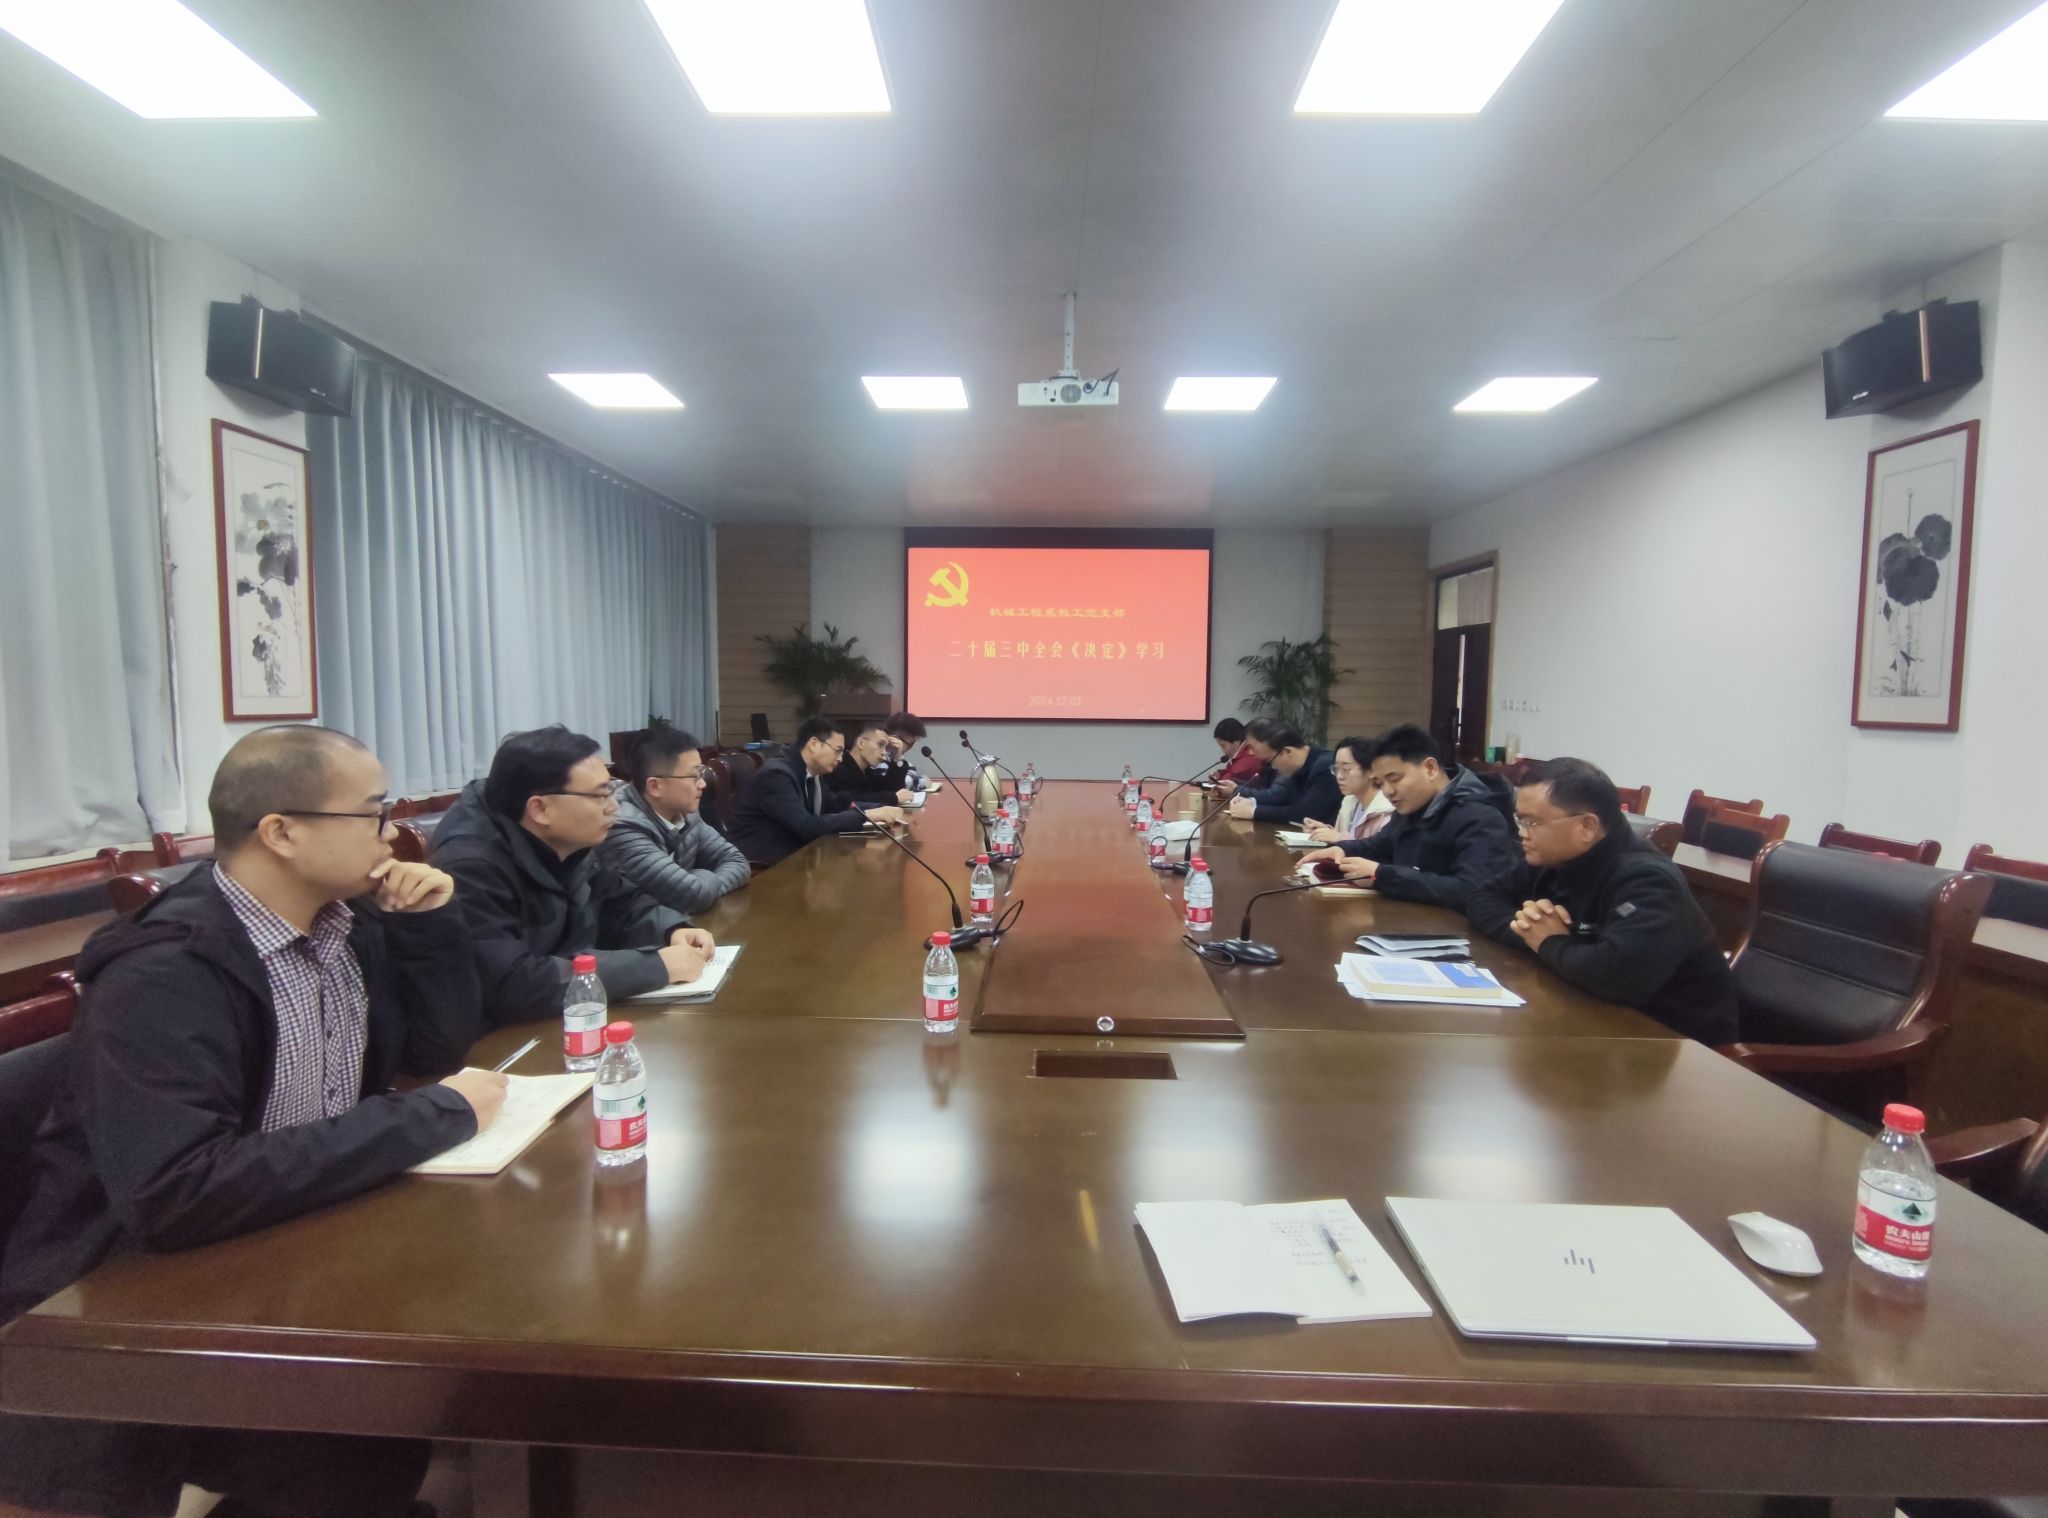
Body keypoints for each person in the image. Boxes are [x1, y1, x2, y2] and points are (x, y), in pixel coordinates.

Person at [0, 725, 504, 1518]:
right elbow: (177, 1190)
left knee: (393, 1421)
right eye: (372, 813)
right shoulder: (166, 973)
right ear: (281, 832)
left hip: (281, 1238)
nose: (391, 833)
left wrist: (430, 923)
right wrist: (429, 1118)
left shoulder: (348, 927)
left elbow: (435, 1050)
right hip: (123, 1293)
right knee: (367, 1427)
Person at [430, 725, 716, 1025]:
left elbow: (619, 902)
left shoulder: (569, 838)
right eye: (600, 795)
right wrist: (655, 967)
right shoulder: (470, 867)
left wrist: (671, 929)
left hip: (566, 1013)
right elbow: (512, 983)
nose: (614, 807)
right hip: (502, 1037)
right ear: (540, 809)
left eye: (611, 790)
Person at [1468, 758, 1739, 1043]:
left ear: (1587, 826)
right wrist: (1532, 932)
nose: (1522, 832)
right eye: (1520, 819)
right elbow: (1482, 898)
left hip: (1674, 1041)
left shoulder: (1649, 881)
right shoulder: (1553, 857)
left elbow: (1615, 977)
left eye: (1532, 822)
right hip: (1593, 1011)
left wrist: (1550, 942)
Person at [1301, 723, 1518, 911]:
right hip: (1410, 921)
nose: (1388, 791)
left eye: (1394, 779)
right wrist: (1343, 850)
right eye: (1380, 783)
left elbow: (1473, 891)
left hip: (1459, 937)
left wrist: (1381, 875)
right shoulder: (1412, 807)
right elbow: (1379, 845)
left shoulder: (1479, 816)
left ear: (1430, 768)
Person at [601, 725, 752, 935]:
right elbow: (692, 896)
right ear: (655, 786)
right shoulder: (621, 827)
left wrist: (699, 881)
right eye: (694, 776)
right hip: (636, 941)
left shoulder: (686, 812)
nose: (702, 784)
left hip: (680, 928)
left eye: (701, 773)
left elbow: (738, 862)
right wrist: (699, 878)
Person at [726, 717, 909, 868]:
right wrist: (866, 815)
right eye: (837, 751)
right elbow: (806, 826)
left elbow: (836, 804)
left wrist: (880, 808)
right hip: (763, 867)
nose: (841, 758)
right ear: (814, 744)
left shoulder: (812, 773)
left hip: (796, 857)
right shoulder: (776, 775)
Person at [1224, 722, 1341, 825]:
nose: (1273, 767)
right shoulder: (1297, 767)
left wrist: (1254, 812)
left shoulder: (1325, 767)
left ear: (1287, 752)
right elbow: (1281, 799)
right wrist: (1251, 802)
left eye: (1270, 761)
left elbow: (1306, 814)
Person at [1302, 734, 1395, 844]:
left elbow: (1377, 852)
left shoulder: (1386, 812)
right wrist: (1324, 831)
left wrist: (1339, 838)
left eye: (1346, 769)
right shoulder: (1349, 802)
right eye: (1336, 769)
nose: (1339, 776)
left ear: (1371, 771)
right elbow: (1346, 838)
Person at [830, 719, 920, 806]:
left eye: (885, 747)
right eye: (880, 745)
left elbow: (892, 790)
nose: (884, 752)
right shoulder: (838, 768)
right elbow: (852, 800)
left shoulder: (867, 771)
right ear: (861, 743)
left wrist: (898, 758)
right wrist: (893, 797)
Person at [1211, 717, 1263, 787]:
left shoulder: (1249, 757)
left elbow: (1229, 779)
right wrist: (1219, 774)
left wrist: (1220, 778)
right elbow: (1230, 772)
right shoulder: (1238, 756)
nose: (1222, 750)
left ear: (1236, 741)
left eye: (1223, 746)